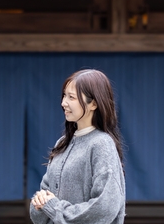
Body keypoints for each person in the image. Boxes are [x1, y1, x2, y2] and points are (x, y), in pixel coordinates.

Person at [30, 69, 126, 224]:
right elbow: (40, 208)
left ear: (93, 103)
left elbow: (104, 208)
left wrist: (53, 207)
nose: (63, 103)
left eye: (71, 97)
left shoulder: (101, 144)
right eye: (64, 96)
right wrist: (39, 203)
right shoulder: (62, 143)